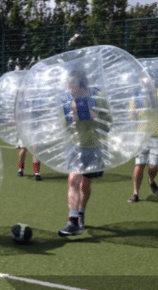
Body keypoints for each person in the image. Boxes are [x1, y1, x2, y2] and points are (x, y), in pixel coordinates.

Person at [58, 70, 108, 237]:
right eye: (68, 86)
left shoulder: (97, 97)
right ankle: (73, 222)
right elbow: (63, 125)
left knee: (85, 184)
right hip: (75, 145)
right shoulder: (66, 100)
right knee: (73, 180)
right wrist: (69, 117)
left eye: (73, 87)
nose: (70, 90)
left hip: (94, 145)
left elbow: (108, 122)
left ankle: (81, 212)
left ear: (82, 86)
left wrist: (92, 115)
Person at [128, 88, 158, 202]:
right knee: (139, 164)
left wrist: (157, 105)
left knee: (153, 166)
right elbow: (131, 117)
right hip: (141, 136)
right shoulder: (136, 95)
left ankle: (151, 179)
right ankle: (135, 193)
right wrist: (134, 111)